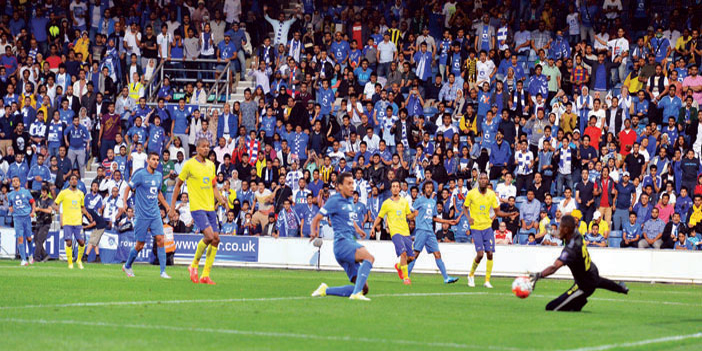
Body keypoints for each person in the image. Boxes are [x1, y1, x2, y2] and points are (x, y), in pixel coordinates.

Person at [529, 215, 629, 311]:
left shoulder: (570, 250)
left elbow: (554, 267)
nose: (559, 229)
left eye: (561, 227)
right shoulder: (575, 233)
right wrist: (550, 230)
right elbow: (560, 235)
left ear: (566, 230)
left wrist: (539, 275)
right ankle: (621, 288)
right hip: (591, 271)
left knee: (551, 307)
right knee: (599, 282)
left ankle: (579, 301)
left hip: (584, 285)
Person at [169, 138, 230, 285]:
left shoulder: (211, 165)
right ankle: (194, 265)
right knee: (209, 236)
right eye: (203, 146)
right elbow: (178, 186)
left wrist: (221, 199)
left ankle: (205, 275)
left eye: (208, 146)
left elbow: (214, 186)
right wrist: (172, 208)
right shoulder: (189, 164)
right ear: (197, 148)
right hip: (197, 207)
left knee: (216, 239)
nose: (206, 149)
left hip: (210, 207)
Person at [310, 172, 374, 301]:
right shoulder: (334, 200)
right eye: (349, 183)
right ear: (339, 186)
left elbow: (350, 218)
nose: (352, 186)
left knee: (363, 288)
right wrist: (313, 231)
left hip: (348, 242)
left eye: (353, 183)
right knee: (369, 257)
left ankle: (325, 290)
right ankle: (355, 295)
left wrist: (358, 229)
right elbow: (316, 218)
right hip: (343, 243)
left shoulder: (350, 200)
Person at [122, 153, 172, 278]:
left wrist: (167, 206)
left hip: (155, 213)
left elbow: (158, 192)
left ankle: (163, 271)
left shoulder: (159, 175)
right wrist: (124, 203)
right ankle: (127, 265)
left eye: (157, 160)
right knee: (140, 244)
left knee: (160, 239)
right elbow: (128, 188)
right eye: (153, 159)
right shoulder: (140, 175)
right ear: (148, 160)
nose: (155, 162)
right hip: (142, 214)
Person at [463, 172, 514, 288]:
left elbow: (498, 212)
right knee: (480, 254)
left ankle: (487, 280)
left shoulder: (492, 195)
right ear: (478, 181)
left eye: (485, 178)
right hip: (476, 227)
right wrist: (469, 217)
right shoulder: (471, 193)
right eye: (480, 178)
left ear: (488, 181)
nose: (482, 180)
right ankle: (471, 275)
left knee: (490, 253)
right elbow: (465, 207)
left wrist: (509, 214)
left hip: (487, 227)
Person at [406, 182, 459, 283]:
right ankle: (406, 275)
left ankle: (446, 278)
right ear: (424, 189)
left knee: (437, 254)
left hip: (430, 231)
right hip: (421, 230)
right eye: (427, 187)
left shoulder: (433, 202)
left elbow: (434, 218)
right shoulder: (419, 200)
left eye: (431, 188)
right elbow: (410, 213)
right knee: (415, 254)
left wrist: (447, 221)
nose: (429, 189)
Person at [371, 180, 416, 285]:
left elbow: (408, 215)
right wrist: (373, 227)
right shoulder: (386, 203)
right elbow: (380, 217)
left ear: (399, 188)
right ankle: (406, 278)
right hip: (395, 232)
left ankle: (399, 266)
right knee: (403, 253)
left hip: (405, 231)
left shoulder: (404, 201)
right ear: (391, 189)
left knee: (411, 257)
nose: (395, 188)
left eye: (397, 186)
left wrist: (414, 215)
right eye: (393, 186)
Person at [53, 174, 92, 269]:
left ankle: (79, 260)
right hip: (67, 221)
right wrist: (56, 208)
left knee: (82, 242)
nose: (74, 181)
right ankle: (70, 263)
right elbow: (55, 203)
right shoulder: (64, 192)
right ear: (69, 182)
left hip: (78, 221)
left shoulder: (80, 194)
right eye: (72, 179)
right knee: (69, 242)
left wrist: (87, 214)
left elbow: (82, 207)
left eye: (75, 179)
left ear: (77, 181)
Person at [8, 176, 35, 266]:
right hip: (17, 218)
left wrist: (33, 212)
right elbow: (10, 205)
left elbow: (33, 202)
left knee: (29, 238)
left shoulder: (26, 192)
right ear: (12, 183)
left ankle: (30, 255)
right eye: (13, 181)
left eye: (16, 181)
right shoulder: (10, 195)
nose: (15, 182)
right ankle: (23, 260)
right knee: (20, 238)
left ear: (20, 183)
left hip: (26, 217)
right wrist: (11, 208)